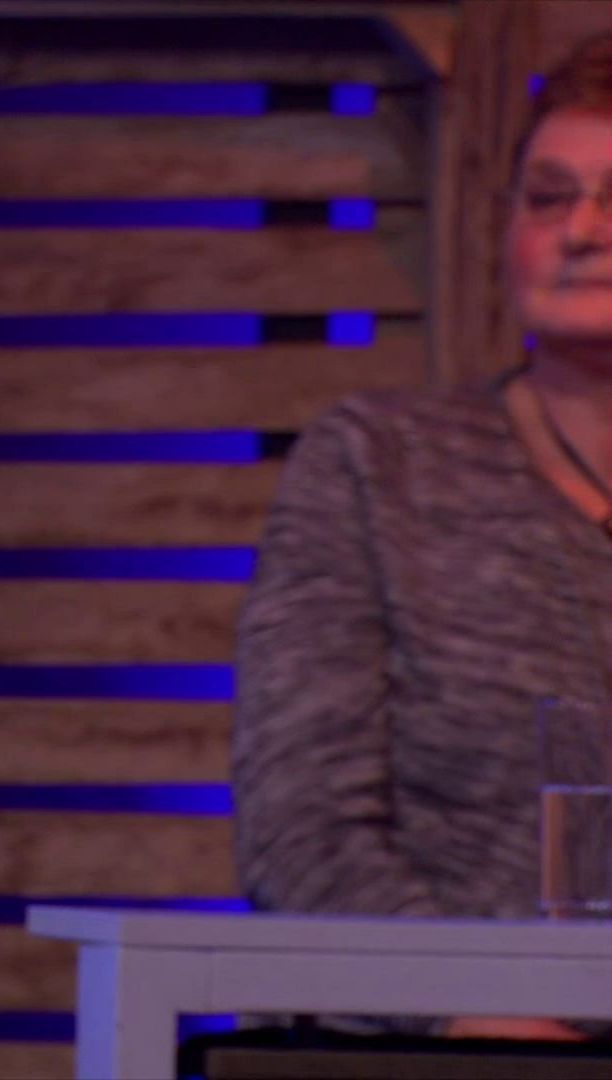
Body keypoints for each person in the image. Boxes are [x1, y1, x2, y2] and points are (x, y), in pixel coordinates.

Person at [234, 32, 612, 1041]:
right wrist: (469, 1011)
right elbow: (299, 830)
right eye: (548, 198)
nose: (582, 230)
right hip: (440, 1047)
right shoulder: (376, 463)